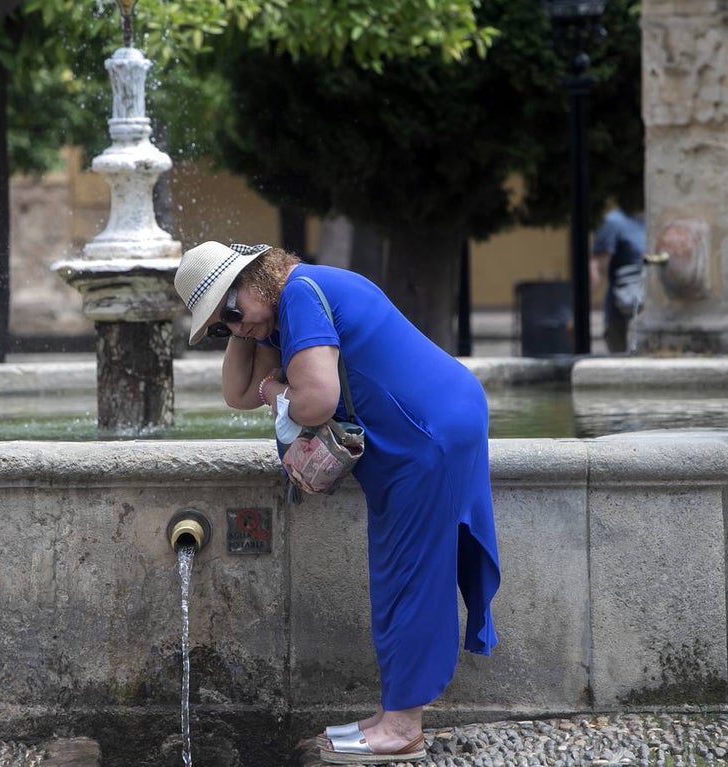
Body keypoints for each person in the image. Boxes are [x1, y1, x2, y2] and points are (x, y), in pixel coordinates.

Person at [174, 241, 501, 765]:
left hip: (427, 433)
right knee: (396, 574)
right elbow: (238, 393)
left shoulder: (301, 295)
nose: (233, 329)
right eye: (219, 327)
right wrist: (239, 320)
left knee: (411, 577)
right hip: (422, 431)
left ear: (258, 277)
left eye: (231, 314)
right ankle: (394, 715)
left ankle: (402, 728)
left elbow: (316, 400)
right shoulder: (283, 305)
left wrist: (276, 387)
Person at [590, 205, 647, 353]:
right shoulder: (614, 222)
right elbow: (596, 266)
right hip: (620, 313)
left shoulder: (656, 219)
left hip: (650, 312)